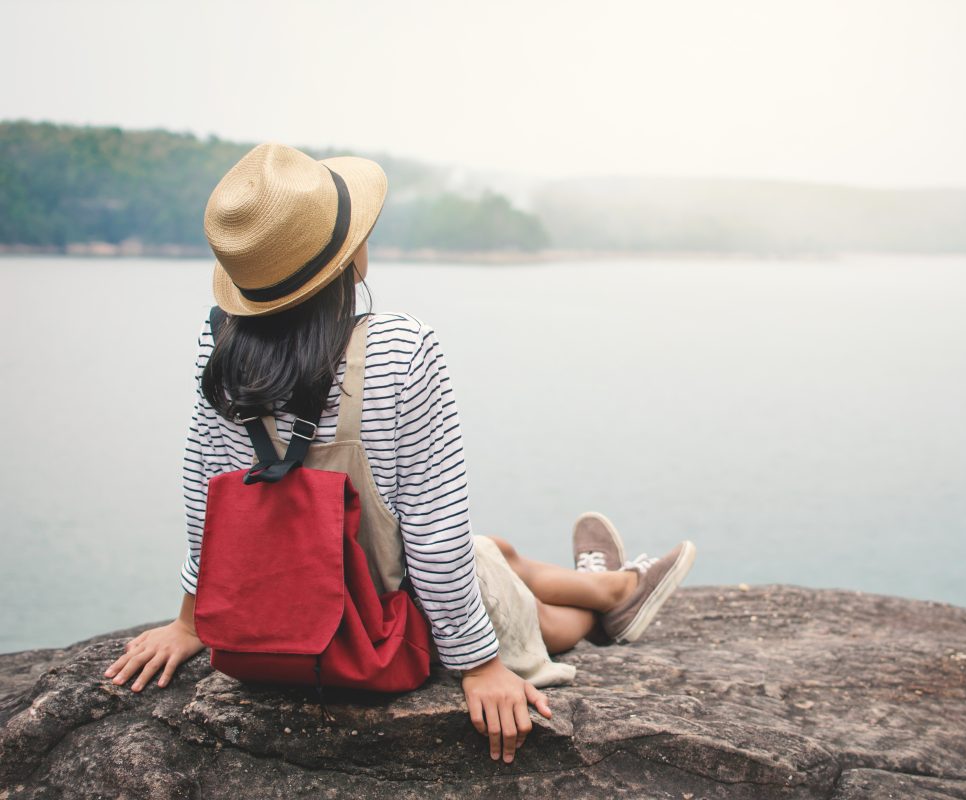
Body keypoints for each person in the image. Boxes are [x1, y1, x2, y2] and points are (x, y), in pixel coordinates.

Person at [100, 142, 696, 764]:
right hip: (384, 626)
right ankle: (611, 604)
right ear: (347, 256)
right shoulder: (398, 349)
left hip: (266, 620)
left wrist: (193, 622)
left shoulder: (220, 350)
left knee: (499, 551)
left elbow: (208, 497)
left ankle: (604, 584)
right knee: (532, 611)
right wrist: (480, 665)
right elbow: (435, 537)